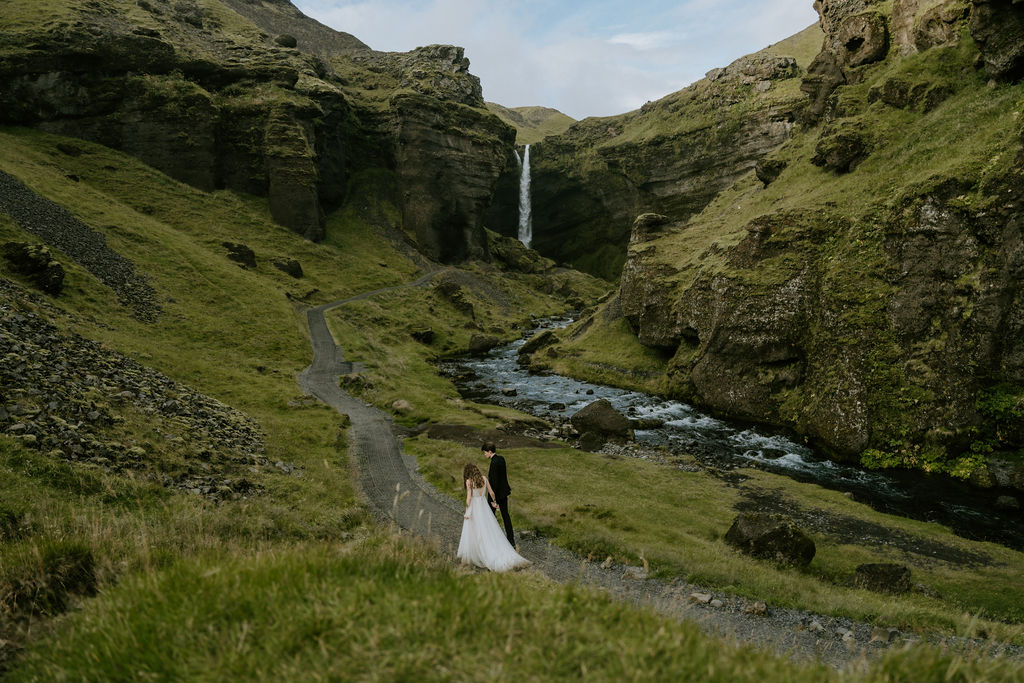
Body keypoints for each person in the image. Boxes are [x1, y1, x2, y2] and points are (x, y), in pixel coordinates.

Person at [457, 462, 529, 572]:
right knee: (488, 530)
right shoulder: (484, 479)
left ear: (467, 472)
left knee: (475, 531)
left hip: (475, 509)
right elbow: (491, 493)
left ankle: (480, 555)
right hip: (484, 507)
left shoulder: (469, 482)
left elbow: (469, 498)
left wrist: (467, 510)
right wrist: (494, 502)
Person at [483, 441, 516, 547]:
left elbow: (494, 481)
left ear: (489, 451)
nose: (484, 454)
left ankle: (490, 538)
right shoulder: (501, 459)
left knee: (490, 515)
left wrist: (493, 499)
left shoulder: (493, 463)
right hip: (504, 492)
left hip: (496, 494)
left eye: (485, 452)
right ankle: (511, 540)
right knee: (505, 515)